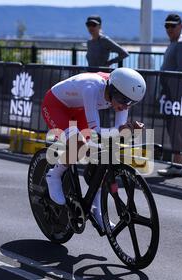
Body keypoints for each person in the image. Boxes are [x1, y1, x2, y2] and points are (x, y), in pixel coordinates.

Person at [41, 68, 146, 232]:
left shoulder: (122, 95)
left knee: (101, 153)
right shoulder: (92, 87)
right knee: (80, 144)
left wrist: (129, 132)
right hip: (56, 106)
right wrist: (122, 131)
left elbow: (118, 134)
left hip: (79, 108)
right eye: (123, 100)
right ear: (112, 90)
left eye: (131, 103)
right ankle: (54, 174)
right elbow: (95, 132)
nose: (125, 106)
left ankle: (96, 209)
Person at [157, 13, 182, 178]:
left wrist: (170, 89)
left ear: (181, 26)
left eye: (173, 26)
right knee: (175, 128)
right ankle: (179, 163)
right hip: (170, 91)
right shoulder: (173, 43)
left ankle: (178, 165)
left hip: (176, 91)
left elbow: (181, 71)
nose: (169, 29)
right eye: (167, 26)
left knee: (176, 128)